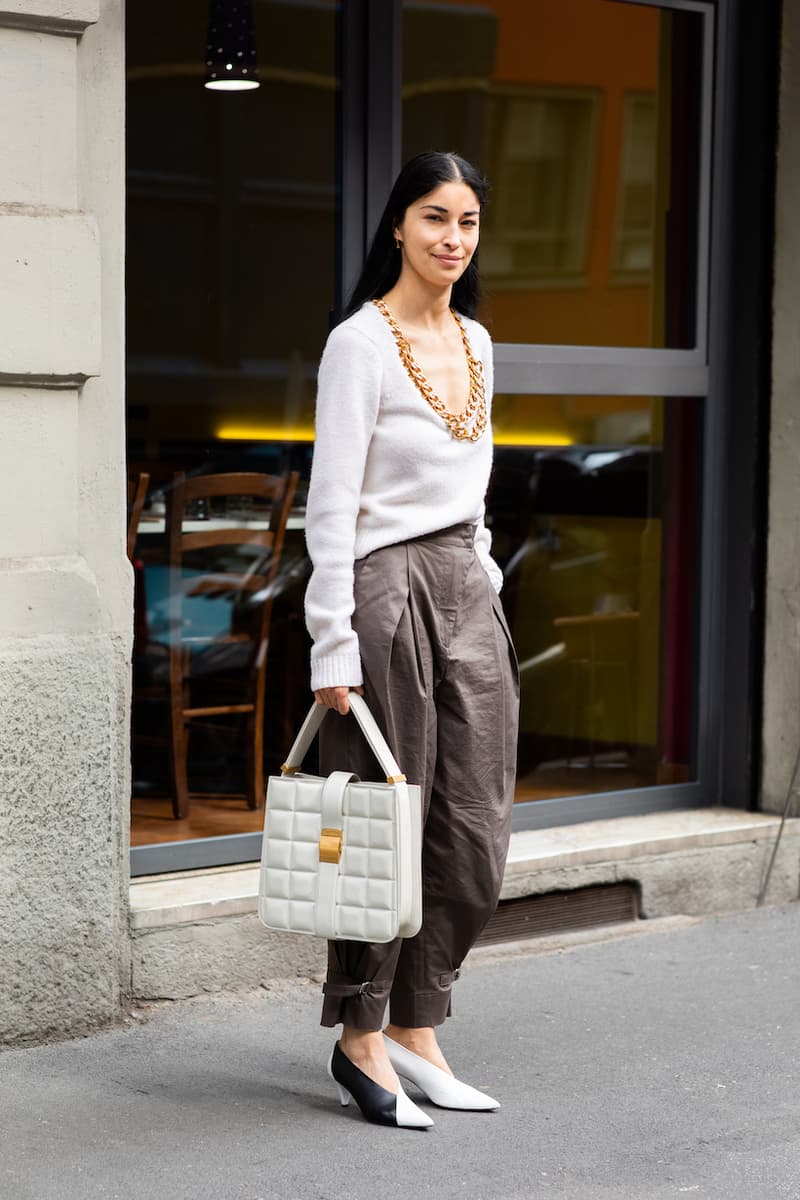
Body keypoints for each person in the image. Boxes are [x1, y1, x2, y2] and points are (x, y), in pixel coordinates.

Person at [304, 150, 520, 1129]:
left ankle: (419, 1026)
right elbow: (331, 504)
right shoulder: (359, 343)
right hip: (383, 590)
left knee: (472, 825)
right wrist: (330, 640)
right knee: (383, 835)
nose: (451, 238)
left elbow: (474, 485)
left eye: (467, 222)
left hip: (461, 590)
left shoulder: (475, 340)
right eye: (435, 217)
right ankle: (360, 1034)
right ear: (397, 225)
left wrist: (482, 568)